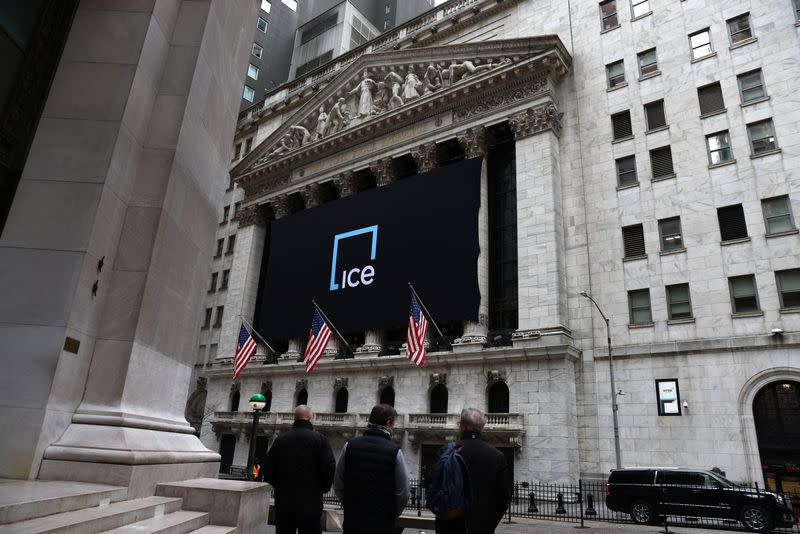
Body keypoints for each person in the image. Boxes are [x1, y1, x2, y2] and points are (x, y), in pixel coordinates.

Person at [334, 404, 409, 534]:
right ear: (389, 422)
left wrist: (350, 505)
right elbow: (403, 493)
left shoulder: (349, 447)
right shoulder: (395, 452)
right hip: (381, 524)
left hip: (353, 521)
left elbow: (338, 484)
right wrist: (391, 514)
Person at [434, 408, 511, 534]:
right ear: (481, 428)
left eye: (459, 424)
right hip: (482, 527)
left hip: (449, 527)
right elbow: (504, 498)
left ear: (463, 426)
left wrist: (444, 517)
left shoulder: (446, 451)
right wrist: (489, 524)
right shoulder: (497, 456)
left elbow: (433, 488)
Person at [264, 405, 335, 534]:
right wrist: (323, 487)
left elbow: (268, 469)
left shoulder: (281, 440)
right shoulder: (320, 440)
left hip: (284, 501)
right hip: (311, 501)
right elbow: (329, 467)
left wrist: (279, 485)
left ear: (295, 419)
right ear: (309, 418)